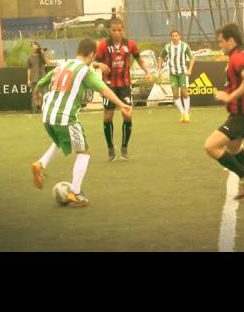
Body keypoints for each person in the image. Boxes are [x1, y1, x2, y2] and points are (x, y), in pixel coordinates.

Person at [30, 37, 132, 207]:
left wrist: (36, 94)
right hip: (66, 117)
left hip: (47, 116)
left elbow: (41, 82)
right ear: (91, 54)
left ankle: (40, 164)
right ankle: (75, 192)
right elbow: (103, 89)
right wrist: (122, 105)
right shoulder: (85, 71)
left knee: (60, 141)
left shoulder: (62, 65)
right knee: (84, 152)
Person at [203, 23, 244, 200]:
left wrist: (229, 97)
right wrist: (227, 94)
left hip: (243, 115)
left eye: (221, 41)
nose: (220, 45)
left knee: (211, 146)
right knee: (234, 149)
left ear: (231, 40)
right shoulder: (239, 55)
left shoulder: (238, 57)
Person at [94, 18, 153, 162]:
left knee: (127, 115)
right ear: (110, 30)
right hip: (108, 86)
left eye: (119, 30)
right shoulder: (103, 45)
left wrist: (148, 71)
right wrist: (100, 65)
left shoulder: (130, 44)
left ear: (123, 30)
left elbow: (139, 59)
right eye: (114, 30)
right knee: (108, 117)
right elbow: (94, 62)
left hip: (125, 86)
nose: (116, 33)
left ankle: (124, 147)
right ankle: (110, 147)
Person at [157, 29, 195, 123]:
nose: (174, 37)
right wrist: (159, 69)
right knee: (175, 95)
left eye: (176, 36)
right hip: (173, 73)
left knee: (184, 93)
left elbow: (192, 58)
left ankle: (186, 113)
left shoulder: (184, 46)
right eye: (173, 36)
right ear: (171, 37)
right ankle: (183, 113)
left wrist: (189, 70)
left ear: (179, 36)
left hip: (183, 73)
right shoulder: (168, 47)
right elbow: (161, 57)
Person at [27, 41, 47, 113]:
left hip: (42, 78)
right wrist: (28, 80)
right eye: (32, 46)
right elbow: (29, 69)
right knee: (34, 94)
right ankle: (34, 109)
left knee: (44, 94)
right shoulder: (30, 58)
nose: (34, 48)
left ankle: (44, 108)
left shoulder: (41, 56)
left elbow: (47, 63)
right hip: (34, 78)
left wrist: (43, 54)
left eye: (35, 46)